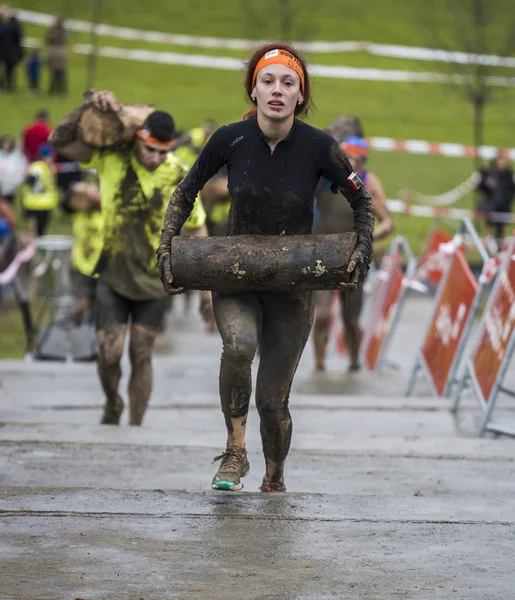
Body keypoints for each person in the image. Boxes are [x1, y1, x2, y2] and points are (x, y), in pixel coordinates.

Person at [157, 42, 375, 493]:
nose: (277, 90)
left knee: (272, 401)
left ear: (300, 95)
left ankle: (274, 476)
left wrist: (362, 251)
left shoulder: (320, 147)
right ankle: (235, 451)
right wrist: (167, 246)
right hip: (235, 274)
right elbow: (185, 190)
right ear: (254, 91)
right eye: (268, 81)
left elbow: (362, 200)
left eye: (288, 83)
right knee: (239, 347)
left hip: (293, 285)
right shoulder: (229, 140)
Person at [49, 90, 209, 427]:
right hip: (113, 271)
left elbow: (197, 228)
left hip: (154, 276)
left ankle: (136, 428)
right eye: (150, 149)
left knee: (141, 353)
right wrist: (90, 106)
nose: (155, 158)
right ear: (139, 138)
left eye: (162, 152)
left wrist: (207, 290)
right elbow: (59, 141)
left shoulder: (179, 172)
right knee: (108, 353)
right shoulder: (112, 158)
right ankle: (112, 402)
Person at [312, 135, 393, 373]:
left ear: (363, 162)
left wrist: (368, 237)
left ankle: (354, 361)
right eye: (347, 157)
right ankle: (319, 365)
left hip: (354, 258)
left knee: (351, 319)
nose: (351, 163)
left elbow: (387, 222)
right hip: (324, 253)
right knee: (323, 314)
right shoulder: (323, 178)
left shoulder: (368, 182)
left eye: (356, 159)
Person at [476, 155, 515, 253]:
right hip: (491, 205)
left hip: (504, 205)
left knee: (502, 229)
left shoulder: (508, 174)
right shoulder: (488, 172)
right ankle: (488, 249)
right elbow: (480, 187)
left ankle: (501, 250)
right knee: (490, 227)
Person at [20, 142, 58, 237]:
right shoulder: (38, 167)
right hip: (37, 204)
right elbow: (31, 182)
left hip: (42, 204)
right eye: (51, 156)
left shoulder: (45, 167)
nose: (53, 158)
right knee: (35, 233)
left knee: (40, 233)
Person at [0, 5, 23, 92]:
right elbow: (18, 40)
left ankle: (4, 84)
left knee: (6, 69)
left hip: (4, 51)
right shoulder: (16, 27)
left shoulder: (5, 26)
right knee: (10, 69)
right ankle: (9, 85)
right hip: (12, 52)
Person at [0, 134, 28, 203]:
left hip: (11, 188)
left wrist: (14, 183)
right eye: (5, 143)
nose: (6, 146)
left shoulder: (17, 156)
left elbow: (22, 170)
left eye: (8, 143)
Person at [45, 16, 68, 95]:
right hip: (59, 52)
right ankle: (57, 89)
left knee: (58, 72)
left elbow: (48, 39)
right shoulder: (62, 30)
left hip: (56, 52)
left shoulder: (55, 30)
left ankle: (57, 89)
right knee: (57, 72)